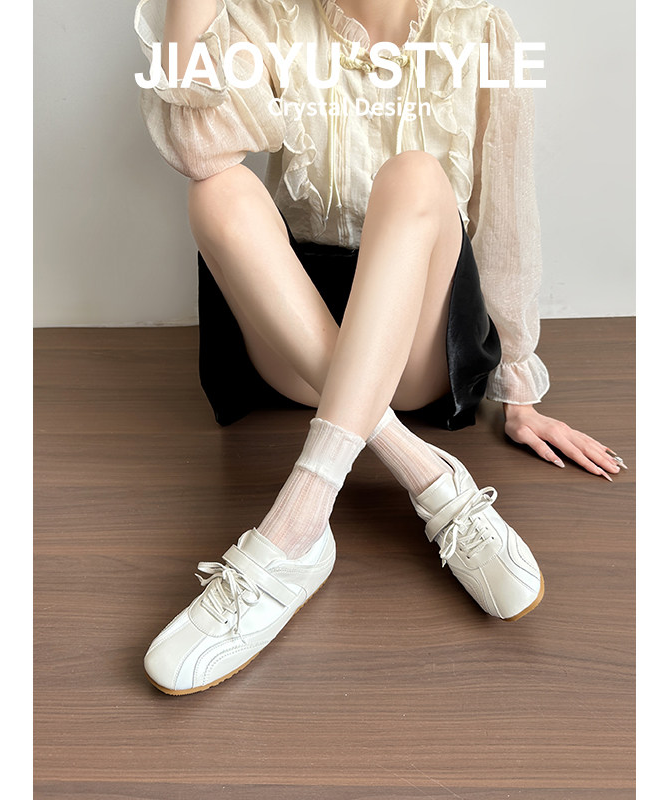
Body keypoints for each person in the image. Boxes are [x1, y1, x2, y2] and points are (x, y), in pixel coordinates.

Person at [133, 0, 625, 695]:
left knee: (417, 174)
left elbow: (506, 218)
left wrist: (519, 392)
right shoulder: (271, 17)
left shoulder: (478, 30)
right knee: (216, 190)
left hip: (416, 345)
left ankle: (297, 526)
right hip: (294, 342)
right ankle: (424, 472)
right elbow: (196, 151)